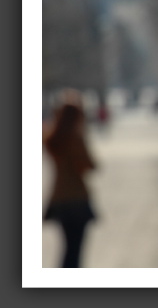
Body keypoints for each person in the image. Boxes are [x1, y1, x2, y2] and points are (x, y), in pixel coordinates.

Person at [43, 89, 98, 267]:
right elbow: (89, 165)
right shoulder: (75, 139)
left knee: (67, 247)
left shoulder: (52, 138)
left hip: (59, 197)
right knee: (75, 249)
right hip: (77, 198)